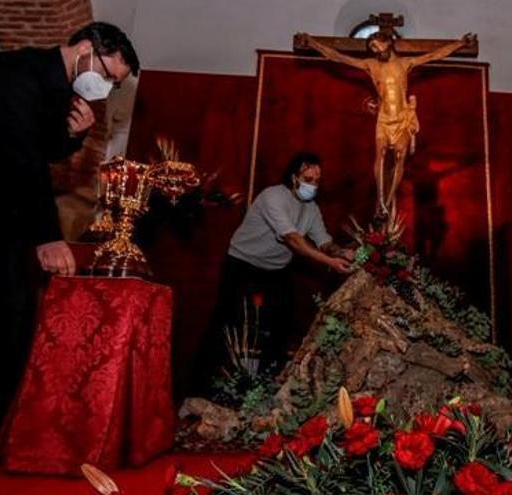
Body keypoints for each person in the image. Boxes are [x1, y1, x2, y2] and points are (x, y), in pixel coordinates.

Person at [0, 22, 139, 452]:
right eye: (108, 75)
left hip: (3, 201)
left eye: (115, 84)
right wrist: (49, 236)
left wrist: (74, 135)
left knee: (9, 316)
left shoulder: (63, 91)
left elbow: (44, 151)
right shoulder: (13, 71)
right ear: (87, 48)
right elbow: (22, 157)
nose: (107, 88)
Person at [193, 152, 352, 388]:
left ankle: (265, 385)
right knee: (227, 320)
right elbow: (292, 240)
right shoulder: (273, 197)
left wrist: (341, 252)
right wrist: (329, 263)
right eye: (309, 179)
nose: (313, 185)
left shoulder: (311, 209)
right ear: (294, 177)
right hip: (242, 263)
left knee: (281, 324)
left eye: (317, 180)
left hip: (275, 270)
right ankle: (201, 382)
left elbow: (323, 241)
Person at [301, 32, 474, 216]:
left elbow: (434, 55)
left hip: (402, 120)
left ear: (389, 43)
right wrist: (313, 43)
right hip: (384, 119)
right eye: (372, 48)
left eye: (377, 46)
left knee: (400, 158)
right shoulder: (371, 65)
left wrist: (460, 44)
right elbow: (340, 57)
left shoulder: (405, 63)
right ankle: (380, 200)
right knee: (381, 155)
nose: (375, 51)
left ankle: (388, 200)